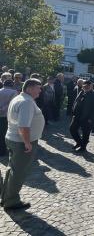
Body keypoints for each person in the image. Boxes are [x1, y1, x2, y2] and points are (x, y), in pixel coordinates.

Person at [0, 79, 44, 210]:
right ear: (30, 88)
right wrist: (27, 142)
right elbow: (24, 126)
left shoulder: (20, 97)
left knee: (12, 169)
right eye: (38, 87)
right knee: (18, 172)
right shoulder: (26, 102)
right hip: (21, 142)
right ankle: (11, 202)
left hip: (13, 138)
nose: (40, 90)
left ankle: (6, 197)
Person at [69, 80, 94, 152]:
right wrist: (73, 111)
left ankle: (83, 147)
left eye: (88, 86)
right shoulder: (81, 92)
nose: (86, 87)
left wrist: (91, 119)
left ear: (91, 87)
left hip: (86, 117)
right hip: (77, 116)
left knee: (85, 133)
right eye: (85, 86)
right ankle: (79, 142)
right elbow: (76, 102)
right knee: (72, 129)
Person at [0, 80, 17, 156]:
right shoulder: (14, 92)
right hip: (7, 115)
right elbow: (12, 104)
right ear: (11, 84)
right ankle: (4, 150)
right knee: (6, 133)